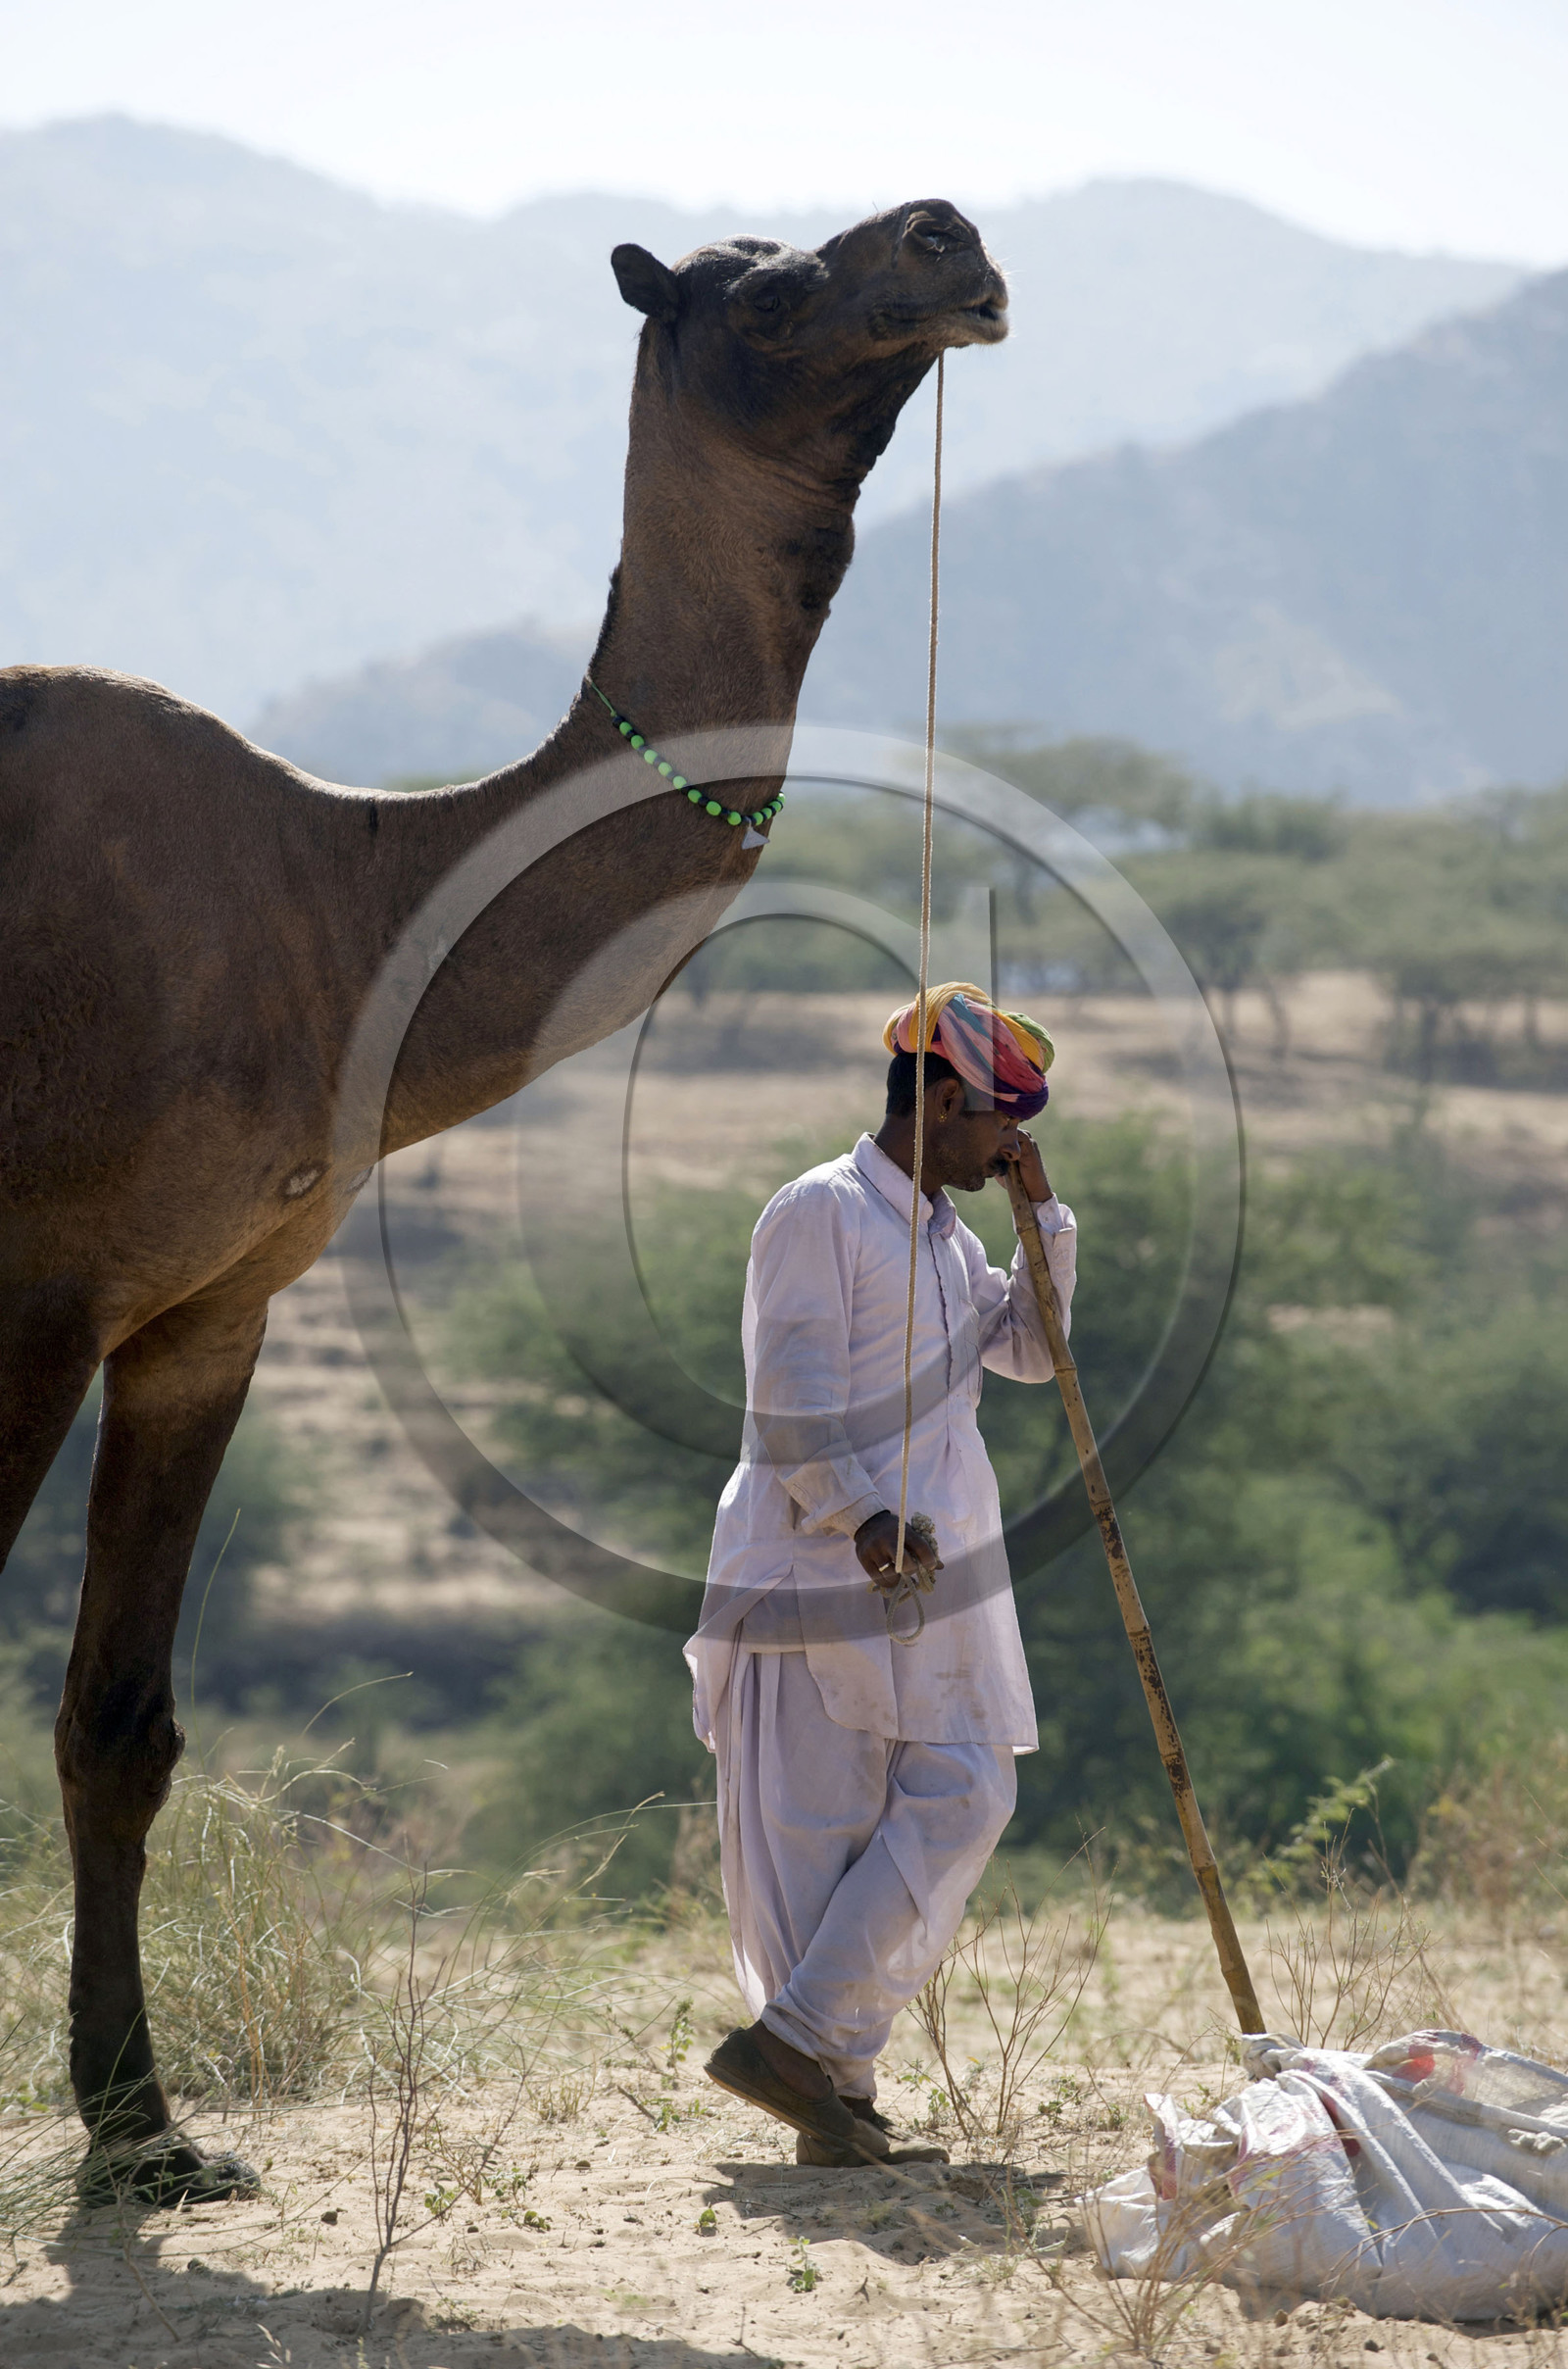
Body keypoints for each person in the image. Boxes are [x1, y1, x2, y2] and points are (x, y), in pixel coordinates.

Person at [685, 983, 1078, 2164]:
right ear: (941, 1098)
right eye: (994, 1123)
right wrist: (858, 1514)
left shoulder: (951, 1238)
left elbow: (1032, 1351)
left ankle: (805, 2045)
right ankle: (830, 2088)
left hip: (932, 1577)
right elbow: (788, 1397)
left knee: (963, 1788)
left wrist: (1039, 1218)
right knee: (823, 1824)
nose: (1004, 1144)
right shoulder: (820, 1211)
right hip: (815, 1564)